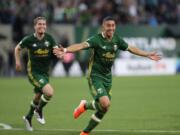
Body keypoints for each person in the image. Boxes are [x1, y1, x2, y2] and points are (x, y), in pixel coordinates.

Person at [53, 16, 161, 135]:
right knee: (105, 103)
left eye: (113, 26)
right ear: (103, 27)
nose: (111, 28)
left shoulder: (117, 40)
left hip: (107, 77)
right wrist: (66, 50)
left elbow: (131, 48)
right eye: (108, 26)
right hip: (95, 76)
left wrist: (147, 54)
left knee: (104, 108)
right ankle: (85, 119)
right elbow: (82, 45)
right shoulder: (96, 39)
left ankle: (85, 124)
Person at [14, 16, 59, 131]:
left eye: (44, 24)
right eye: (39, 24)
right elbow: (17, 49)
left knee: (38, 96)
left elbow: (55, 50)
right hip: (33, 72)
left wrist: (60, 54)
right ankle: (38, 110)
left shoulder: (49, 38)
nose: (42, 26)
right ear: (35, 26)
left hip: (45, 73)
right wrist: (18, 62)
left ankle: (28, 117)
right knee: (49, 92)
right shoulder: (29, 39)